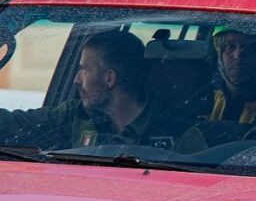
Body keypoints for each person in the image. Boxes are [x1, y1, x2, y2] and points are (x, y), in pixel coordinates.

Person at [0, 30, 187, 150]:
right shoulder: (75, 115)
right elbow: (13, 125)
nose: (76, 80)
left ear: (109, 78)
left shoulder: (177, 130)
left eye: (83, 70)